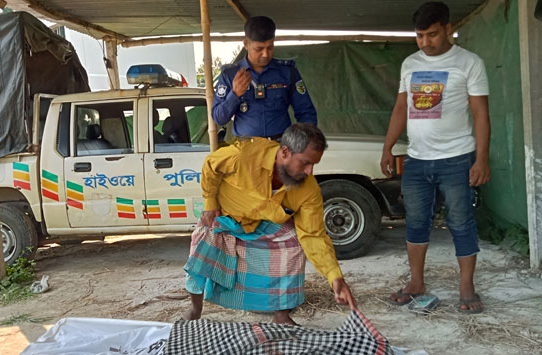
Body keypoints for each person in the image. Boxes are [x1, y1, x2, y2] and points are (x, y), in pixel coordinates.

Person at [182, 123, 357, 325]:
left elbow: (313, 235)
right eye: (305, 163)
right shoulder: (243, 155)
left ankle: (281, 315)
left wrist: (334, 277)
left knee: (294, 240)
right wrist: (210, 203)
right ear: (284, 152)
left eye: (313, 165)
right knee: (202, 242)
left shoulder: (308, 189)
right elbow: (211, 166)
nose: (309, 172)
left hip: (260, 224)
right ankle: (195, 308)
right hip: (224, 218)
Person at [380, 1, 490, 314]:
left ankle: (466, 285)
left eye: (431, 35)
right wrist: (388, 147)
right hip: (417, 159)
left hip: (457, 158)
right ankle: (416, 282)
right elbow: (401, 108)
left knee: (460, 221)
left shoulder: (469, 62)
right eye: (419, 36)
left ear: (447, 28)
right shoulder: (409, 64)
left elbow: (481, 114)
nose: (425, 42)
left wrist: (481, 159)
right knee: (415, 221)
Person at [212, 16, 317, 141]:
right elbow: (219, 118)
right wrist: (234, 94)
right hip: (246, 149)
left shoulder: (287, 73)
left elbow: (306, 112)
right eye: (259, 49)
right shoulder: (230, 75)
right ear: (246, 44)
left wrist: (301, 144)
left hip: (280, 148)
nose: (265, 54)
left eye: (270, 47)